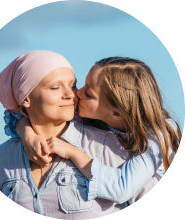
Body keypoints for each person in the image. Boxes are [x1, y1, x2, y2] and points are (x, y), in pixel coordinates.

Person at [11, 56, 181, 203]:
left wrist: (72, 152)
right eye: (82, 85)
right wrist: (28, 135)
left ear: (116, 113)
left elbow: (121, 188)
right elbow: (20, 113)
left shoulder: (161, 133)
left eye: (89, 94)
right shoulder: (91, 111)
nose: (78, 94)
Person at [0, 50, 134, 219]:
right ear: (26, 98)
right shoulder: (2, 157)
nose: (70, 95)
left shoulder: (107, 146)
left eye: (72, 85)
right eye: (55, 87)